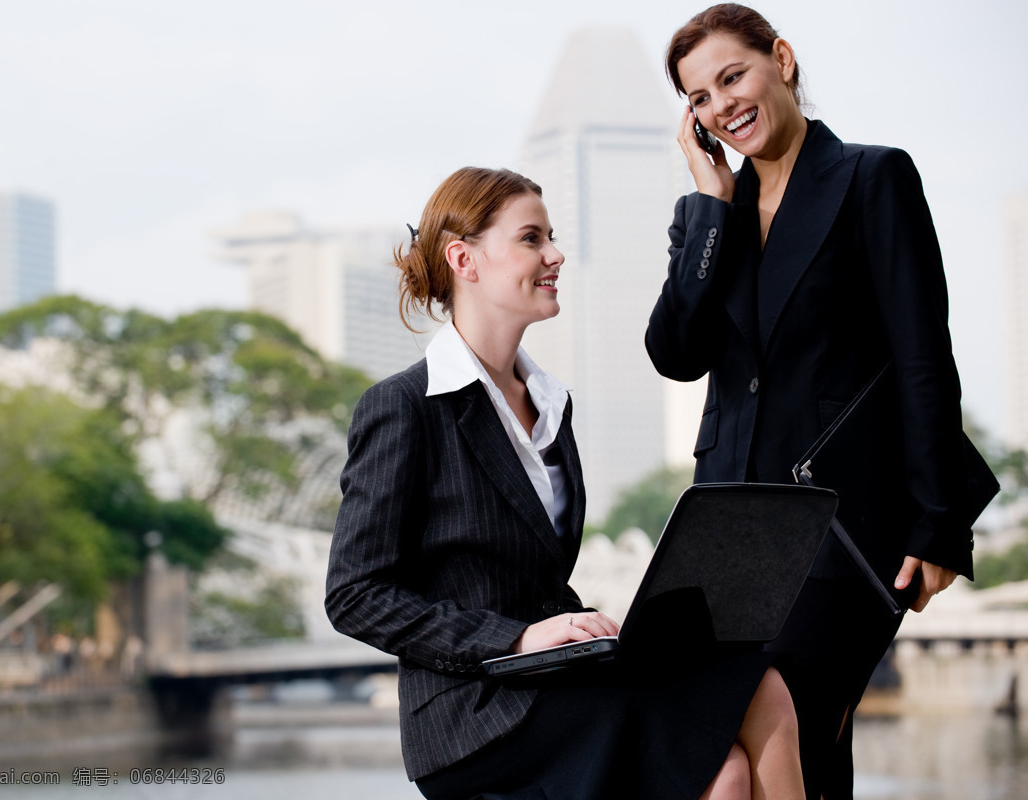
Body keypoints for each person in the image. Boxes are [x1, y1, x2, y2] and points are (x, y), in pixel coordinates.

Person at [326, 166, 806, 799]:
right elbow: (355, 594)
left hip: (555, 677)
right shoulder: (405, 407)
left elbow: (536, 579)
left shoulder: (551, 404)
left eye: (551, 236)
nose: (555, 255)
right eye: (531, 238)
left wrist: (601, 630)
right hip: (475, 708)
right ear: (464, 259)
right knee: (723, 764)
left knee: (750, 704)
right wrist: (518, 637)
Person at [646, 5, 975, 798]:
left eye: (732, 76)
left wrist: (938, 524)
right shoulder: (709, 221)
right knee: (764, 756)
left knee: (788, 712)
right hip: (726, 528)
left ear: (781, 60)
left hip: (842, 524)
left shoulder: (872, 178)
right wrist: (709, 206)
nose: (720, 105)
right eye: (698, 98)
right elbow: (674, 354)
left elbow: (924, 358)